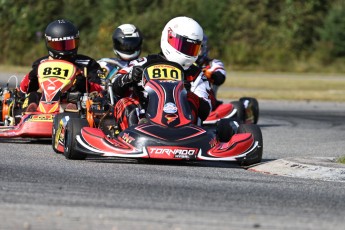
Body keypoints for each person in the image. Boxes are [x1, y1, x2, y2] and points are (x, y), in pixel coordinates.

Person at [112, 16, 212, 131]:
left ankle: (185, 133)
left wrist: (183, 92)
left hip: (183, 129)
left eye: (191, 48)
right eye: (183, 46)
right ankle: (133, 134)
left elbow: (205, 110)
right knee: (124, 103)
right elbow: (114, 88)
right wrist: (129, 77)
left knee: (192, 99)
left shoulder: (196, 75)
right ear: (168, 38)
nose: (186, 51)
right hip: (144, 123)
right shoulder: (143, 63)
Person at [19, 19, 103, 112]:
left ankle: (71, 111)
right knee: (32, 96)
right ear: (49, 43)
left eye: (69, 44)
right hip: (45, 103)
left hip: (74, 102)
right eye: (60, 45)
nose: (65, 49)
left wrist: (84, 84)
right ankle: (28, 114)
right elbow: (23, 90)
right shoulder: (41, 64)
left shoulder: (87, 63)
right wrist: (32, 76)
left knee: (76, 98)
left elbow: (100, 88)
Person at [97, 24, 143, 95]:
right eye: (124, 44)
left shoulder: (143, 63)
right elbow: (98, 88)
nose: (128, 47)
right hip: (114, 102)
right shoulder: (105, 64)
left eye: (132, 43)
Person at [195, 34, 226, 110]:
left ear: (205, 47)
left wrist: (209, 74)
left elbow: (220, 77)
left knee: (231, 108)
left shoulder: (213, 63)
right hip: (186, 100)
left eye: (201, 46)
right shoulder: (184, 64)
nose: (199, 49)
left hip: (208, 103)